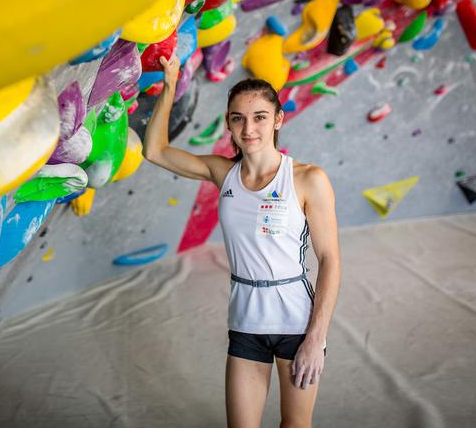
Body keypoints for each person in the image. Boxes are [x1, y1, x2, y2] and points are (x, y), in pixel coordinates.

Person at [142, 53, 341, 428]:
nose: (249, 128)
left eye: (260, 117)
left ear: (278, 120)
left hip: (296, 323)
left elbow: (330, 259)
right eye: (238, 118)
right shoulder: (223, 173)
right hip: (246, 320)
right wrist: (169, 85)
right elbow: (155, 151)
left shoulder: (307, 179)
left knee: (295, 425)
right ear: (229, 125)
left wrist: (316, 338)